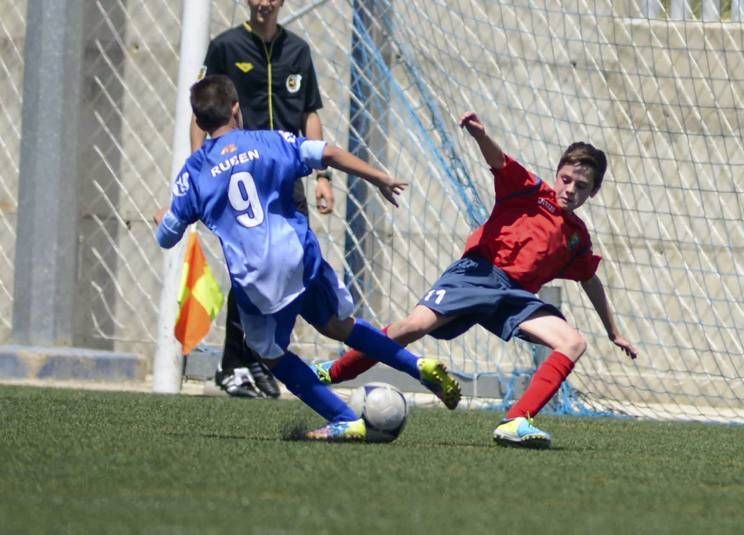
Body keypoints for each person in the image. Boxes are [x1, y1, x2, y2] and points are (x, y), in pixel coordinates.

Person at [156, 75, 461, 440]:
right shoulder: (268, 141)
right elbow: (326, 152)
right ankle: (419, 367)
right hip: (299, 255)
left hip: (257, 277)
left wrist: (163, 219)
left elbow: (167, 236)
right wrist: (378, 176)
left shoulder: (194, 172)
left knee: (269, 353)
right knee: (340, 326)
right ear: (236, 108)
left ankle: (344, 417)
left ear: (199, 121)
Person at [314, 111, 638, 448]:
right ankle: (333, 372)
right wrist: (480, 135)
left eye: (581, 186)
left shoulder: (577, 237)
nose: (570, 190)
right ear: (557, 175)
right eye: (566, 179)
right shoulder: (530, 190)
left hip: (515, 298)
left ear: (594, 192)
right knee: (411, 328)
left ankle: (516, 421)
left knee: (573, 342)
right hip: (477, 275)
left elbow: (590, 279)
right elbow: (499, 161)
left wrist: (614, 332)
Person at [191, 0, 336, 399]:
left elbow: (310, 114)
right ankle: (235, 362)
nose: (263, 4)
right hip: (244, 180)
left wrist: (323, 176)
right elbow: (200, 114)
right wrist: (199, 170)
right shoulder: (227, 46)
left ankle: (262, 355)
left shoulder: (298, 51)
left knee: (289, 266)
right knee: (250, 268)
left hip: (287, 179)